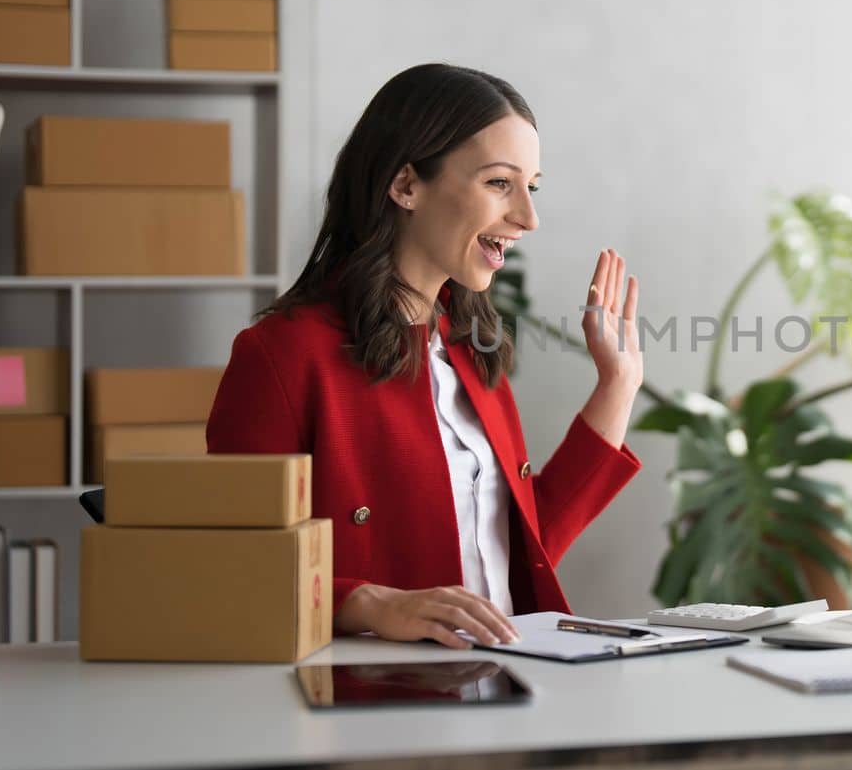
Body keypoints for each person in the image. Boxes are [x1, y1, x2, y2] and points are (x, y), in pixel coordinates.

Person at [206, 64, 643, 649]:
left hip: (505, 683)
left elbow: (521, 552)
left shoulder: (470, 350)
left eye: (530, 186)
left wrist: (616, 386)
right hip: (370, 701)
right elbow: (232, 562)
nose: (527, 217)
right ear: (406, 184)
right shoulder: (283, 356)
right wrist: (367, 602)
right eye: (498, 183)